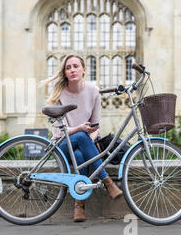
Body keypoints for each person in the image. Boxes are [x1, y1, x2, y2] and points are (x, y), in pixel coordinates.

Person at [41, 54, 122, 222]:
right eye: (68, 67)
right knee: (79, 135)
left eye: (76, 66)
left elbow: (95, 126)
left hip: (83, 144)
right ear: (64, 73)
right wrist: (80, 130)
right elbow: (58, 133)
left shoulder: (93, 91)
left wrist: (89, 140)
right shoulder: (58, 94)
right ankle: (107, 181)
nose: (72, 70)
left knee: (80, 155)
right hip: (61, 146)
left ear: (84, 70)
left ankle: (79, 205)